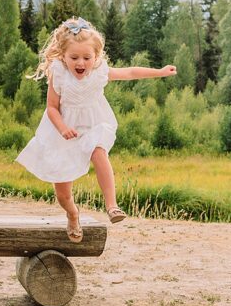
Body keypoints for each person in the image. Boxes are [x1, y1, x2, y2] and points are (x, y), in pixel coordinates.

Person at [16, 17, 177, 242]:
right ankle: (72, 214)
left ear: (96, 57)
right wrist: (62, 128)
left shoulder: (100, 71)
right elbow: (52, 108)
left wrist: (159, 72)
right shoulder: (59, 73)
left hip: (94, 122)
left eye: (86, 57)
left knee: (98, 151)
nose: (80, 63)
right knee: (62, 193)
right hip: (63, 129)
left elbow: (130, 73)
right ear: (63, 56)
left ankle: (112, 206)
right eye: (74, 58)